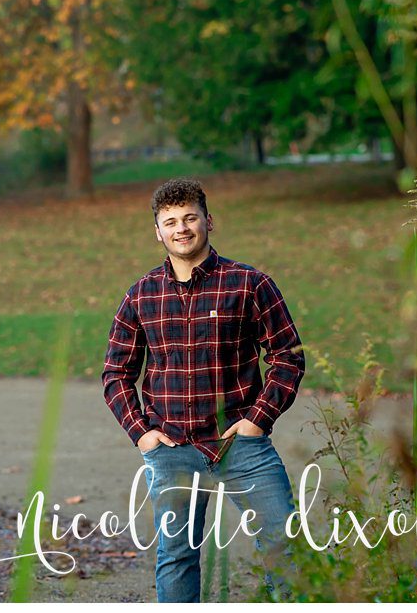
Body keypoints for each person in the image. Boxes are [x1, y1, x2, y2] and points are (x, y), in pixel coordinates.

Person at [101, 177, 306, 603]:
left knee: (285, 547)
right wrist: (141, 432)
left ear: (208, 221)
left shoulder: (249, 283)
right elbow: (116, 373)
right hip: (172, 449)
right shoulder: (140, 295)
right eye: (170, 221)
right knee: (176, 556)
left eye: (190, 217)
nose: (182, 228)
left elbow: (287, 355)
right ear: (157, 231)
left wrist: (257, 420)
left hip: (241, 445)